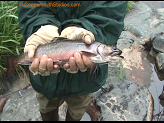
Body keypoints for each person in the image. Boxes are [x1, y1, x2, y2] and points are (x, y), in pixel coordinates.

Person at [18, 1, 128, 121]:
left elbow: (109, 15)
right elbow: (30, 7)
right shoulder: (95, 51)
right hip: (46, 82)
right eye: (111, 48)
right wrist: (39, 26)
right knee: (47, 110)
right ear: (99, 48)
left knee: (76, 112)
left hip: (84, 83)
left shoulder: (95, 53)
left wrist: (89, 29)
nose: (112, 50)